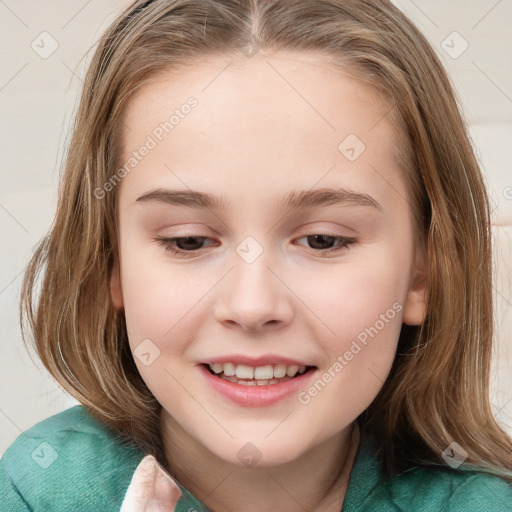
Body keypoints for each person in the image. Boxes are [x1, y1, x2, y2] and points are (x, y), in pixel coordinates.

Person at [2, 0, 512, 510]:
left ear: (422, 273)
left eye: (322, 240)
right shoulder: (39, 490)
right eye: (189, 241)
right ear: (111, 263)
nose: (251, 305)